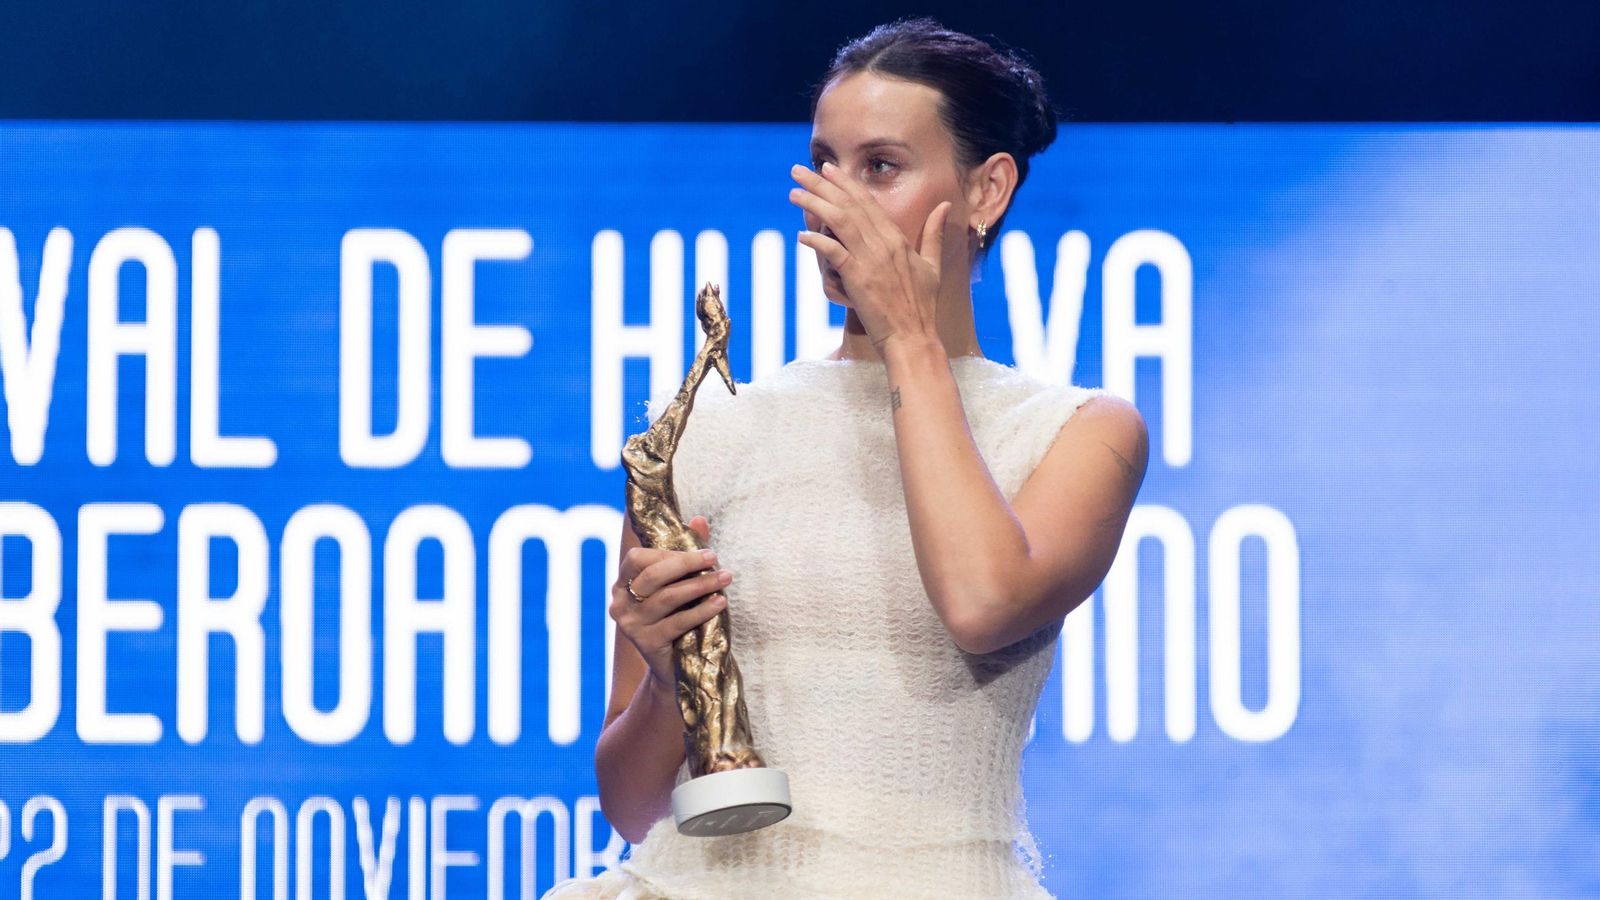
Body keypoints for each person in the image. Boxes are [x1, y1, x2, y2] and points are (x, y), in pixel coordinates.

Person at [544, 16, 1148, 900]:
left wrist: (908, 333)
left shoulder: (1079, 432)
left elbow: (983, 602)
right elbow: (635, 810)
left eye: (882, 167)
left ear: (987, 191)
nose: (834, 199)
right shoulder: (711, 429)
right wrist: (673, 682)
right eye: (825, 162)